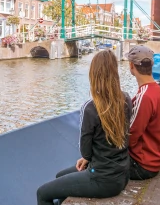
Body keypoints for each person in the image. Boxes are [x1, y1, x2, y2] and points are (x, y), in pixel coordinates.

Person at [36, 50, 133, 205]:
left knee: (42, 193)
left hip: (101, 178)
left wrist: (87, 158)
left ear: (94, 74)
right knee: (61, 176)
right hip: (121, 174)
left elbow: (85, 151)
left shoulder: (91, 107)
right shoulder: (126, 98)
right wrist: (88, 159)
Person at [125, 45, 160, 180]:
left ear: (131, 65)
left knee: (99, 166)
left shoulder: (144, 96)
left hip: (141, 165)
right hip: (155, 160)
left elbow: (131, 134)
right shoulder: (158, 91)